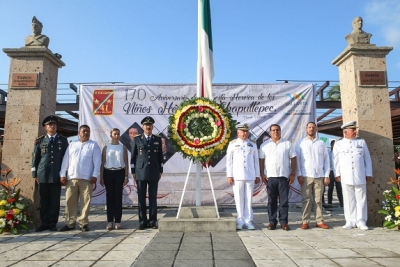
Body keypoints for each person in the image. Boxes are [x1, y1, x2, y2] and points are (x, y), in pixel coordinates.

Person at [59, 125, 102, 232]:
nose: (86, 133)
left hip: (87, 179)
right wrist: (62, 175)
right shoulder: (72, 145)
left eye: (88, 131)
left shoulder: (93, 145)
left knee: (85, 202)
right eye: (84, 131)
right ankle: (70, 223)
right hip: (71, 178)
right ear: (79, 132)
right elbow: (66, 161)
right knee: (70, 202)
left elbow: (97, 162)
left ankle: (83, 223)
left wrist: (95, 175)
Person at [31, 115, 69, 232]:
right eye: (50, 125)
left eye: (54, 125)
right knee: (44, 200)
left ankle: (52, 223)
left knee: (55, 201)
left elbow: (66, 159)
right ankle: (44, 223)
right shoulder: (40, 140)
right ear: (45, 127)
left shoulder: (62, 140)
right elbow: (35, 158)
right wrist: (34, 174)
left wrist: (64, 174)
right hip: (42, 174)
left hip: (56, 174)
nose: (52, 126)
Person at [333, 121, 373, 230]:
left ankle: (361, 221)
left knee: (361, 199)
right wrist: (337, 173)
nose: (355, 132)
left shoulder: (361, 142)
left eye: (355, 130)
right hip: (346, 175)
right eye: (352, 130)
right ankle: (350, 220)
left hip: (360, 174)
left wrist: (368, 173)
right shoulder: (338, 143)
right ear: (346, 132)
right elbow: (335, 160)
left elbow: (367, 159)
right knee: (348, 199)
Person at [259, 124, 296, 231]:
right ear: (270, 132)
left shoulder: (287, 144)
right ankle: (272, 221)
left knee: (284, 201)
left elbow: (293, 159)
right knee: (271, 201)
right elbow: (261, 161)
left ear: (280, 131)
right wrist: (262, 174)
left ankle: (284, 222)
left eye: (277, 130)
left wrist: (293, 174)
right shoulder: (264, 145)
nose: (275, 132)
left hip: (284, 177)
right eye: (273, 130)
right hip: (270, 178)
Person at [296, 122, 330, 230]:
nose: (311, 129)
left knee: (318, 200)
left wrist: (327, 175)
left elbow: (326, 161)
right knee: (306, 200)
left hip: (319, 175)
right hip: (306, 175)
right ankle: (305, 221)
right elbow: (297, 160)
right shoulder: (300, 143)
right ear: (306, 129)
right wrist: (299, 174)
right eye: (309, 127)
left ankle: (319, 221)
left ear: (316, 130)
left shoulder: (321, 143)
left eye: (313, 128)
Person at [226, 123, 261, 230]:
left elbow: (256, 161)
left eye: (246, 131)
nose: (245, 133)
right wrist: (229, 175)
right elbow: (229, 161)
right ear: (238, 132)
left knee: (248, 199)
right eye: (243, 131)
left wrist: (257, 175)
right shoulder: (233, 144)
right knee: (239, 198)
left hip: (250, 175)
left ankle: (248, 220)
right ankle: (240, 219)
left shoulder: (253, 144)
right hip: (237, 175)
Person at [131, 116, 163, 230]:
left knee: (153, 197)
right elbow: (133, 157)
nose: (148, 127)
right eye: (146, 125)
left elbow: (160, 157)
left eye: (150, 125)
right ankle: (142, 221)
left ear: (152, 127)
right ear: (142, 127)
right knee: (141, 198)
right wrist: (133, 171)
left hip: (154, 171)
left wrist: (160, 170)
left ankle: (153, 221)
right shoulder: (137, 139)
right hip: (141, 172)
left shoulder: (157, 139)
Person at [100, 128, 129, 230]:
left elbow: (126, 163)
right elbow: (102, 163)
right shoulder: (106, 147)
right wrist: (101, 177)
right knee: (110, 197)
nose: (116, 136)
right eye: (114, 134)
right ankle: (109, 221)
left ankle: (117, 221)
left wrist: (126, 176)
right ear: (111, 135)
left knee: (118, 197)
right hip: (108, 172)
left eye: (118, 134)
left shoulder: (123, 148)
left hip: (119, 172)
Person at [326, 140, 343, 207]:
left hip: (338, 172)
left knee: (339, 188)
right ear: (331, 145)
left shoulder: (339, 153)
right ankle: (329, 203)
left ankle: (342, 203)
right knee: (330, 188)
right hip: (331, 172)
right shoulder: (328, 153)